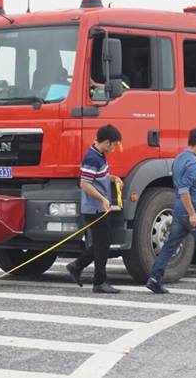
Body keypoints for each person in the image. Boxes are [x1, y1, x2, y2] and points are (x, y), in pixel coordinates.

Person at [146, 128, 196, 295]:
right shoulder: (194, 163)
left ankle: (154, 278)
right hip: (195, 212)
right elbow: (184, 189)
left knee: (170, 246)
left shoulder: (179, 158)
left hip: (179, 212)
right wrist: (193, 214)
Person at [66, 124, 123, 294]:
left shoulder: (100, 155)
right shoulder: (92, 158)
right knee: (102, 243)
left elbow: (99, 177)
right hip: (94, 208)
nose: (114, 148)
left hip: (99, 207)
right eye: (114, 145)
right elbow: (85, 183)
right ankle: (99, 281)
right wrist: (103, 198)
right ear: (107, 142)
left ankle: (77, 266)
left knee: (103, 241)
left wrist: (114, 179)